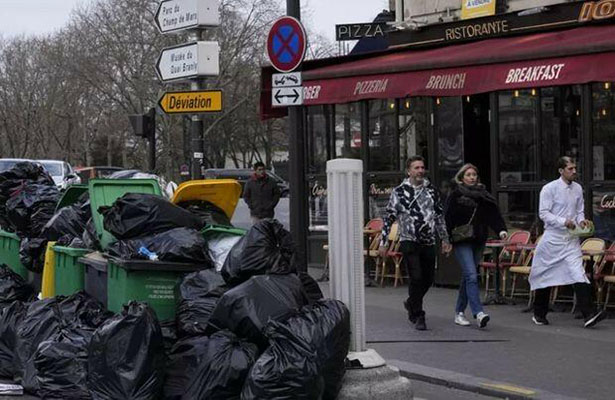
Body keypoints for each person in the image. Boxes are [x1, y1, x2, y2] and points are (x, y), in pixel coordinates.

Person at [529, 156, 606, 328]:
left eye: (574, 168)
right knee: (545, 275)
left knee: (578, 272)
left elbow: (579, 211)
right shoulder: (549, 189)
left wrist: (582, 221)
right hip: (552, 239)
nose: (574, 171)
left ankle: (589, 314)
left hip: (571, 240)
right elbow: (544, 213)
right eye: (570, 169)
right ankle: (539, 313)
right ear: (560, 170)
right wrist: (564, 221)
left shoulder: (578, 188)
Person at [379, 156, 452, 331]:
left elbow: (439, 217)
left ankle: (411, 302)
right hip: (409, 240)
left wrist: (445, 239)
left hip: (428, 241)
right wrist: (384, 241)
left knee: (428, 279)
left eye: (422, 167)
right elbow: (389, 217)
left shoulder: (431, 191)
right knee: (416, 277)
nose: (420, 171)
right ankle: (418, 314)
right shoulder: (399, 192)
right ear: (409, 171)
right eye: (416, 168)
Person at [445, 164, 508, 329]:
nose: (472, 177)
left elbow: (493, 215)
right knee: (472, 275)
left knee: (468, 276)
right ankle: (479, 313)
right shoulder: (455, 195)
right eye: (468, 175)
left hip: (478, 239)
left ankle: (459, 312)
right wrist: (446, 240)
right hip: (461, 240)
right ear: (461, 178)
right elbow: (447, 218)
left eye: (474, 174)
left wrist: (501, 230)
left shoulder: (483, 195)